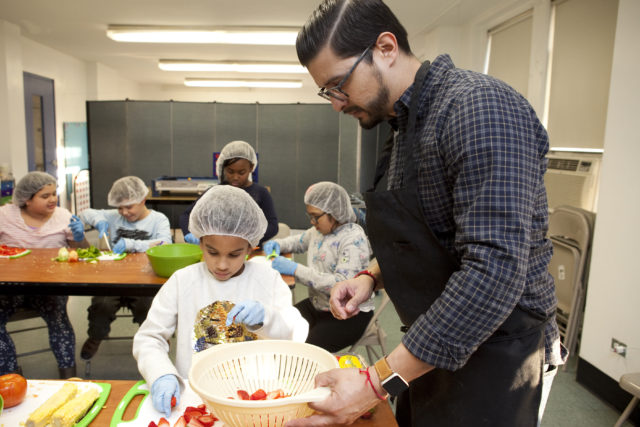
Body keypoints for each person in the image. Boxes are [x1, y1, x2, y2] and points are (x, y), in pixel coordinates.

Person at [287, 1, 567, 426]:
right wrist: (371, 277)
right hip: (431, 343)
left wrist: (373, 382)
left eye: (339, 84)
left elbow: (493, 272)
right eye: (327, 91)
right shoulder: (404, 129)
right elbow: (431, 238)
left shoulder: (479, 109)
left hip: (498, 354)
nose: (336, 105)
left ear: (385, 47)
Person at [133, 184, 308, 417]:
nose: (222, 264)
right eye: (212, 251)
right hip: (197, 398)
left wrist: (267, 317)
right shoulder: (182, 281)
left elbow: (295, 332)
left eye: (234, 254)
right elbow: (149, 337)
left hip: (255, 399)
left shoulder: (268, 279)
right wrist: (161, 374)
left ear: (250, 246)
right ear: (199, 241)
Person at [263, 181, 372, 352]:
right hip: (318, 304)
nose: (312, 222)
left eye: (315, 216)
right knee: (278, 327)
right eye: (310, 216)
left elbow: (341, 284)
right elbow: (298, 242)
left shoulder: (353, 239)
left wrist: (295, 270)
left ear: (334, 213)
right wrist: (278, 244)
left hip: (347, 316)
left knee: (303, 352)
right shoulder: (319, 231)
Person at [0, 171, 88, 378]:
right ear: (26, 200)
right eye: (45, 196)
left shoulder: (63, 216)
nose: (52, 199)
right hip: (10, 287)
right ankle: (10, 377)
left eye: (53, 194)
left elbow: (82, 252)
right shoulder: (4, 215)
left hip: (49, 286)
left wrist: (79, 237)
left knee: (59, 320)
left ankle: (69, 377)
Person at [77, 175, 172, 360]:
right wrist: (98, 220)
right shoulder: (113, 217)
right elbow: (85, 213)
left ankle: (158, 342)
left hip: (145, 279)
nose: (124, 212)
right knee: (101, 306)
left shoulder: (158, 219)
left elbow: (164, 243)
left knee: (149, 307)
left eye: (129, 207)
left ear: (143, 200)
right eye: (119, 207)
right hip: (113, 278)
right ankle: (96, 336)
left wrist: (132, 244)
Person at [179, 140, 278, 246]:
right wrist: (189, 234)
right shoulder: (214, 192)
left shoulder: (261, 193)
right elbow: (186, 216)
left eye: (241, 172)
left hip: (250, 250)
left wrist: (251, 238)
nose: (235, 177)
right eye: (230, 171)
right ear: (223, 168)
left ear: (251, 167)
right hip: (217, 248)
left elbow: (273, 226)